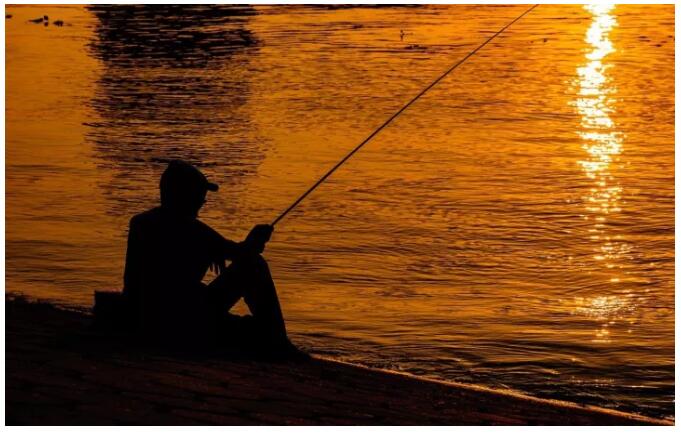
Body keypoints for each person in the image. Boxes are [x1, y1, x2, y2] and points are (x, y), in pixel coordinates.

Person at [122, 160, 302, 357]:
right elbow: (243, 254)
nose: (202, 202)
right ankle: (278, 340)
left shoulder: (141, 223)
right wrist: (255, 239)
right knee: (254, 266)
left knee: (245, 324)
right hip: (180, 322)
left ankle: (269, 337)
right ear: (184, 196)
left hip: (146, 318)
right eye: (199, 197)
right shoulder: (192, 230)